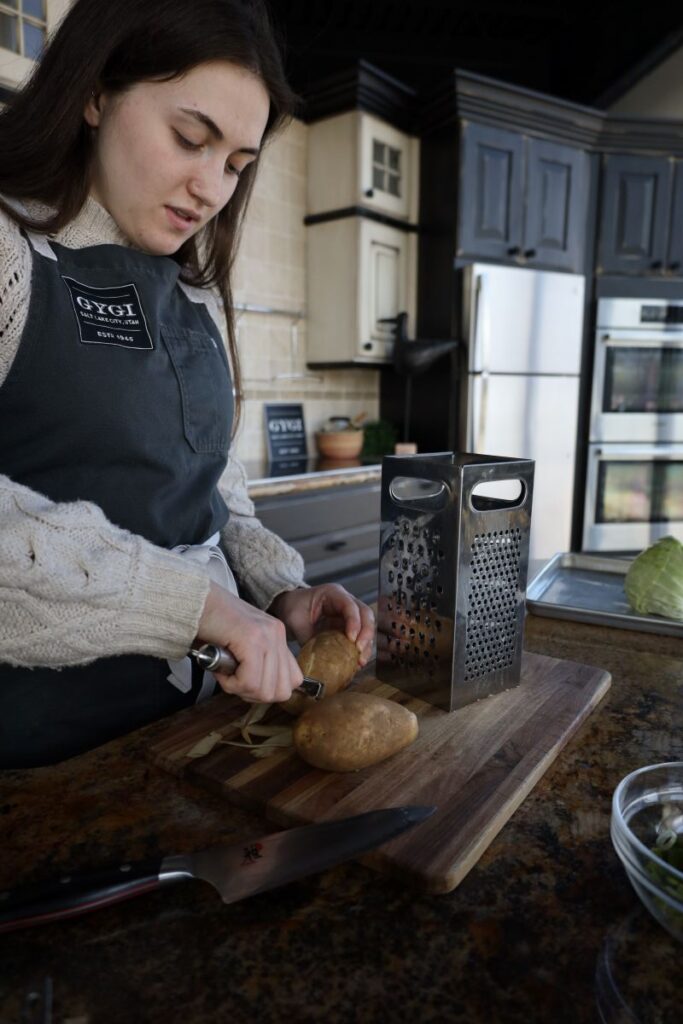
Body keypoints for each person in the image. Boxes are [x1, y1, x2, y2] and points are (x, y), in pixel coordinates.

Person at [0, 0, 375, 769]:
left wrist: (276, 593)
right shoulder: (9, 254)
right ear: (96, 93)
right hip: (38, 761)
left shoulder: (194, 295)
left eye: (236, 165)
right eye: (189, 139)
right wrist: (197, 607)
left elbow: (210, 484)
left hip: (188, 734)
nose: (211, 189)